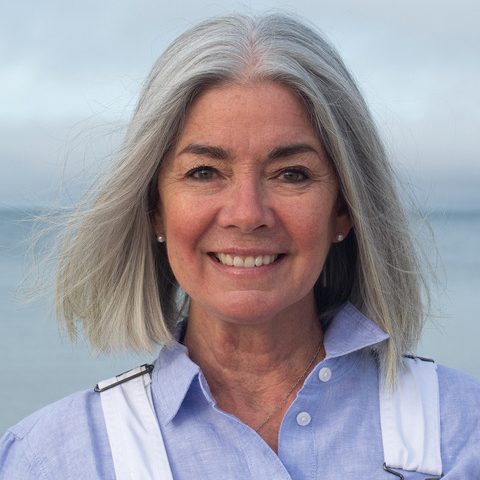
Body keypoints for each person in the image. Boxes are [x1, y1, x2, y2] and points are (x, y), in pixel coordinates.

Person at [1, 12, 479, 479]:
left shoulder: (464, 434)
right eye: (204, 172)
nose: (247, 214)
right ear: (154, 208)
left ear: (343, 209)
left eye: (291, 174)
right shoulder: (48, 462)